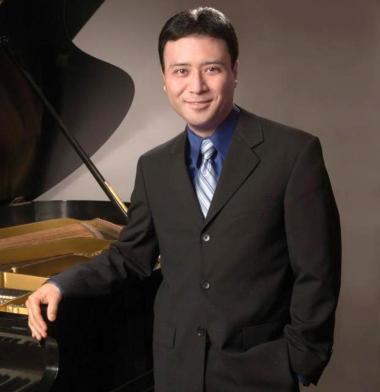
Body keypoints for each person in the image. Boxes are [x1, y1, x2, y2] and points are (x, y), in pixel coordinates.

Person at [26, 6, 341, 392]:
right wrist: (61, 284)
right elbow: (131, 257)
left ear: (235, 71)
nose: (196, 86)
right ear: (164, 80)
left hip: (261, 371)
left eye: (211, 68)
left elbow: (318, 271)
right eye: (181, 70)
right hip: (176, 370)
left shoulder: (293, 154)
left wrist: (298, 363)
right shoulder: (154, 166)